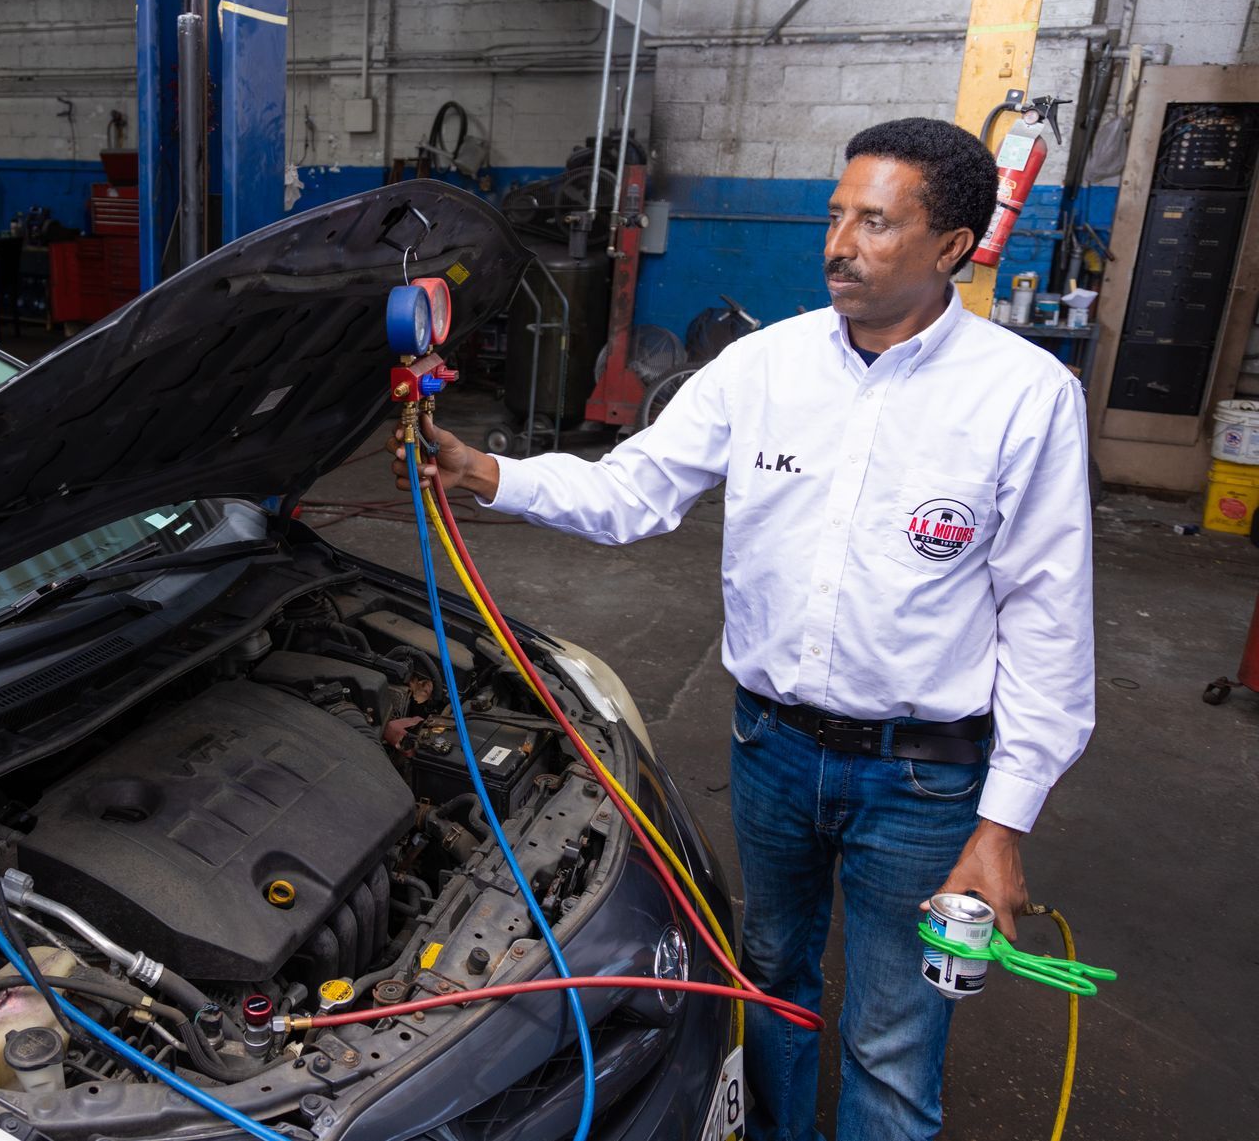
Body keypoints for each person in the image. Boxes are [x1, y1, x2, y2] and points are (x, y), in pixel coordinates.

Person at [391, 118, 1094, 1140]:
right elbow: (632, 491)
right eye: (836, 214)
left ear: (952, 247)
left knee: (894, 1040)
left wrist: (1002, 827)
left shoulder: (1024, 397)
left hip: (925, 777)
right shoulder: (763, 367)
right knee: (767, 982)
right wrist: (483, 471)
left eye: (877, 223)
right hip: (771, 750)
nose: (839, 245)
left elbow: (1048, 621)